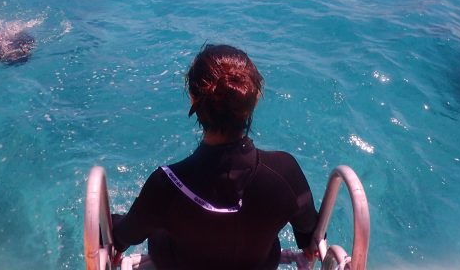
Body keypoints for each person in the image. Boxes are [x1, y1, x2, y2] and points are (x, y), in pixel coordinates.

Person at [112, 44, 319, 270]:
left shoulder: (166, 183)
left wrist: (112, 227)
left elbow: (125, 235)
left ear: (193, 99)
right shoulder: (284, 171)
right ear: (254, 99)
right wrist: (306, 240)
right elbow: (309, 228)